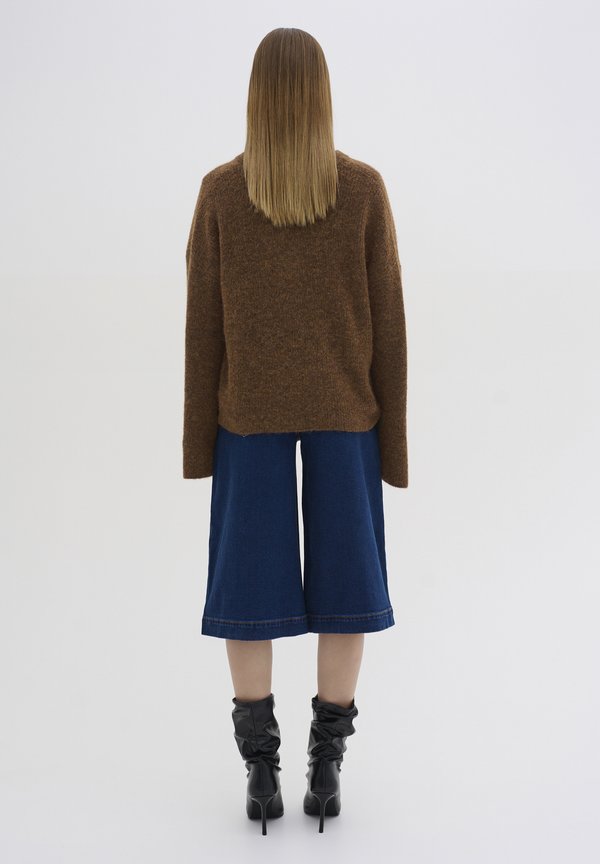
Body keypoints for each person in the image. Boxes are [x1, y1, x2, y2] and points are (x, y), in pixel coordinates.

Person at [182, 27, 408, 835]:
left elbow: (202, 331)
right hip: (347, 416)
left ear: (256, 98)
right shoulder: (363, 190)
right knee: (348, 587)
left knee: (247, 588)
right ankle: (326, 768)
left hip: (247, 417)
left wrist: (199, 445)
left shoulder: (220, 193)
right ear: (321, 96)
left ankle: (260, 772)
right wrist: (394, 447)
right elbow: (390, 327)